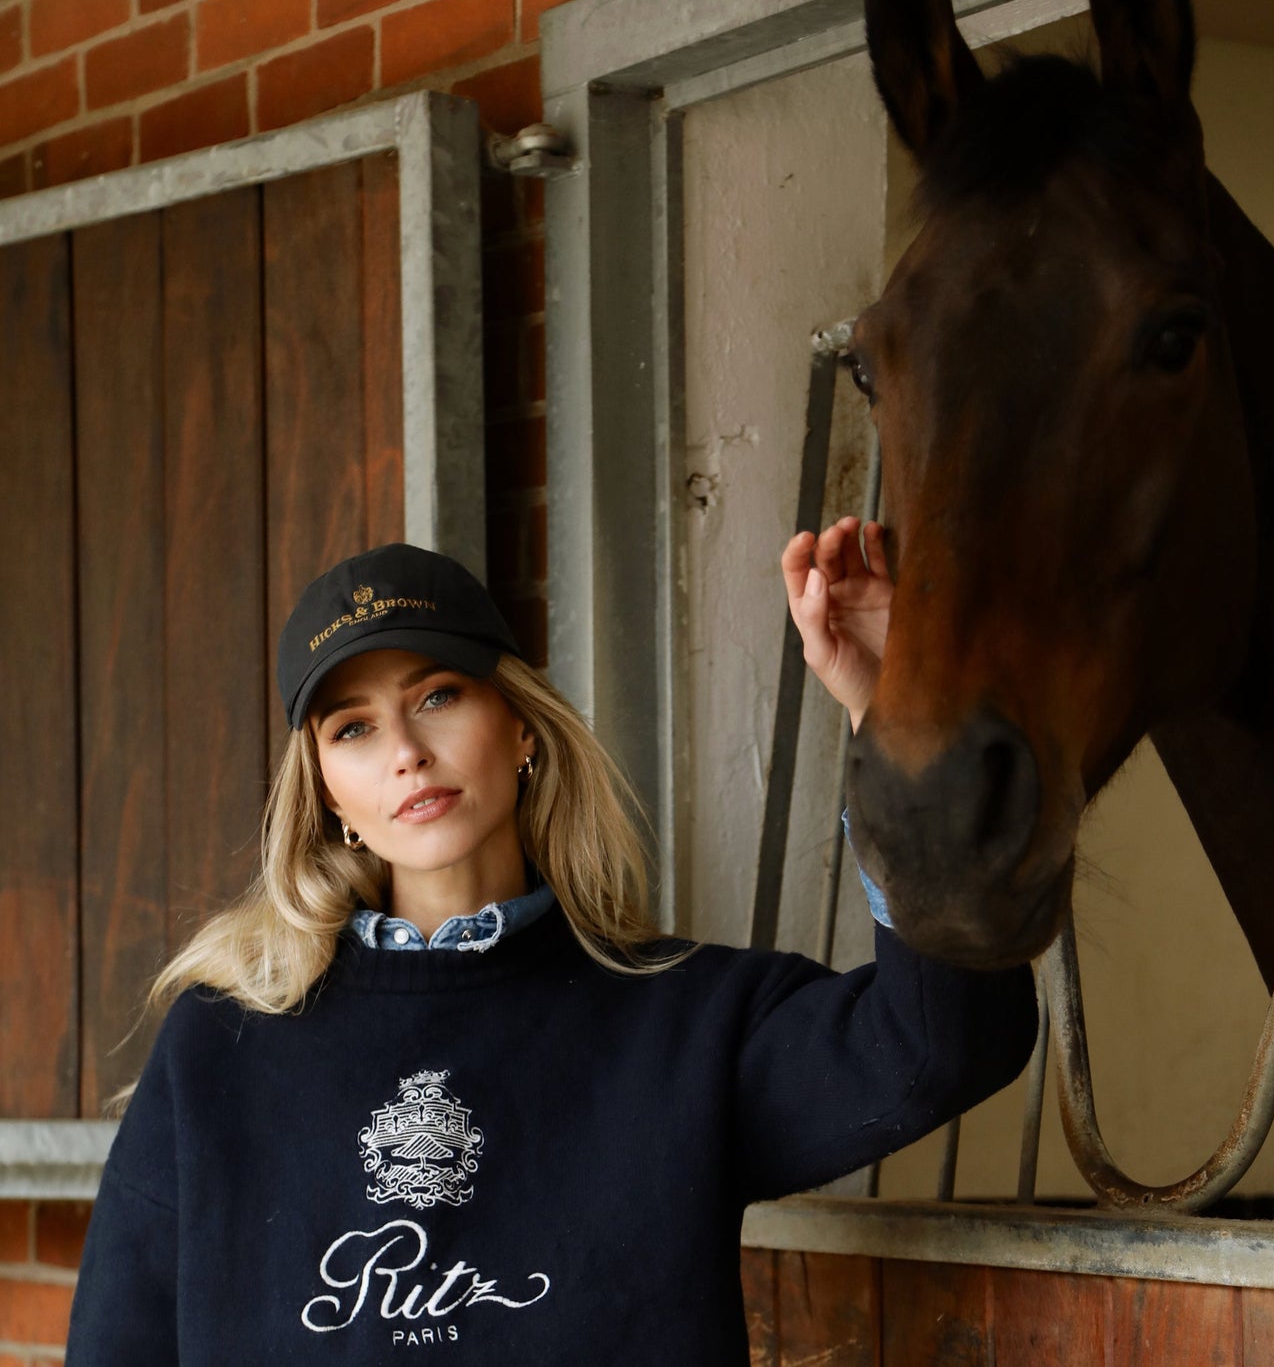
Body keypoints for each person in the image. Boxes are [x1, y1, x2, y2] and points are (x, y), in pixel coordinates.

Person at [67, 523, 1038, 1363]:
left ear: (521, 726)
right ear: (329, 794)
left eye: (438, 694)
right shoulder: (220, 1047)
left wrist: (895, 714)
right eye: (353, 728)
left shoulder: (685, 1023)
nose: (404, 749)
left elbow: (945, 1040)